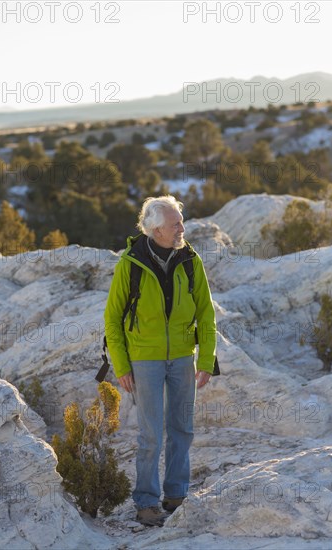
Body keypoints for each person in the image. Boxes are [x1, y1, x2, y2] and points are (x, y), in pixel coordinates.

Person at [104, 195, 217, 527]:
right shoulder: (130, 263)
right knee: (150, 435)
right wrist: (122, 366)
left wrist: (207, 359)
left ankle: (176, 494)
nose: (182, 228)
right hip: (145, 360)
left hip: (183, 356)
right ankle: (146, 502)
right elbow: (112, 319)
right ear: (155, 230)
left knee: (182, 429)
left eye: (181, 221)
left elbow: (206, 314)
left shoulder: (191, 259)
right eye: (175, 224)